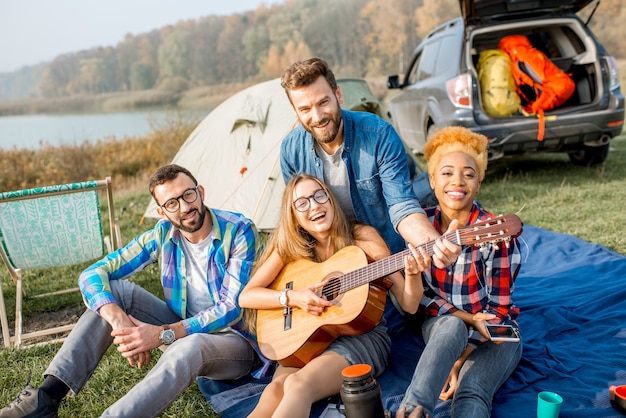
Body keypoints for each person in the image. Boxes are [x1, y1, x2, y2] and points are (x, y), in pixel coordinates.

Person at [0, 164, 266, 418]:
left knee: (192, 345)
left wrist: (163, 334)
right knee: (114, 292)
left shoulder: (239, 230)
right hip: (180, 330)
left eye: (188, 195)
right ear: (162, 212)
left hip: (234, 343)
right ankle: (45, 398)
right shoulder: (162, 234)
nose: (185, 207)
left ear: (201, 192)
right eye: (172, 203)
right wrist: (118, 319)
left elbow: (231, 308)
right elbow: (92, 274)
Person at [238, 173, 427, 418]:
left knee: (297, 386)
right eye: (302, 203)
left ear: (331, 200)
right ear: (293, 217)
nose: (314, 205)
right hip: (305, 340)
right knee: (274, 390)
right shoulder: (292, 248)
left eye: (319, 196)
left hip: (360, 338)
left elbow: (409, 304)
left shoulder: (362, 237)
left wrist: (413, 274)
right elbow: (247, 296)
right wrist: (293, 297)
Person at [279, 57, 459, 265]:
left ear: (338, 94)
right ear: (295, 111)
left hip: (386, 257)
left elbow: (401, 205)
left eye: (323, 102)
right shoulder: (290, 151)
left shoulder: (379, 135)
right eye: (305, 109)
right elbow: (300, 222)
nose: (317, 116)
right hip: (332, 265)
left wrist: (433, 243)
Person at [398, 126, 523, 418]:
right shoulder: (419, 226)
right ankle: (412, 411)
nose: (458, 181)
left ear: (478, 183)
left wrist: (457, 362)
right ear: (431, 179)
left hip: (495, 332)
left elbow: (500, 310)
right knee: (450, 326)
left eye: (468, 174)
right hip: (444, 325)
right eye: (446, 173)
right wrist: (464, 319)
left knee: (471, 389)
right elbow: (424, 300)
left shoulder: (494, 232)